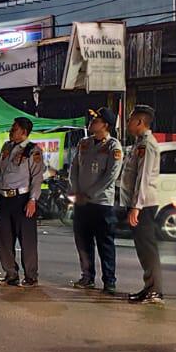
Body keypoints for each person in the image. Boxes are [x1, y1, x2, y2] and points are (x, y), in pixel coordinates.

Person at [69, 107, 123, 294]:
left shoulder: (113, 146)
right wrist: (76, 191)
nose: (92, 122)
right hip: (82, 203)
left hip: (101, 204)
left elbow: (110, 176)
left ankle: (109, 281)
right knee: (83, 243)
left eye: (96, 120)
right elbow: (74, 169)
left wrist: (88, 194)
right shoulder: (84, 143)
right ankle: (87, 277)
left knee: (105, 243)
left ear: (105, 125)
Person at [0, 117, 44, 288]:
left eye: (15, 128)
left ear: (24, 132)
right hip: (5, 199)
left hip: (23, 199)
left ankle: (31, 277)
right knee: (4, 239)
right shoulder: (6, 147)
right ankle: (11, 274)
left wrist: (33, 200)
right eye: (12, 128)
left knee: (27, 240)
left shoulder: (33, 150)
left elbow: (37, 178)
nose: (11, 130)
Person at [121, 106, 165, 305]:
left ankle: (155, 291)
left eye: (130, 119)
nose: (128, 123)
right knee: (143, 249)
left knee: (148, 248)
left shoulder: (147, 145)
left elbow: (144, 178)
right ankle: (149, 288)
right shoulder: (138, 144)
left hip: (144, 204)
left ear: (140, 122)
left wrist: (136, 206)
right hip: (138, 203)